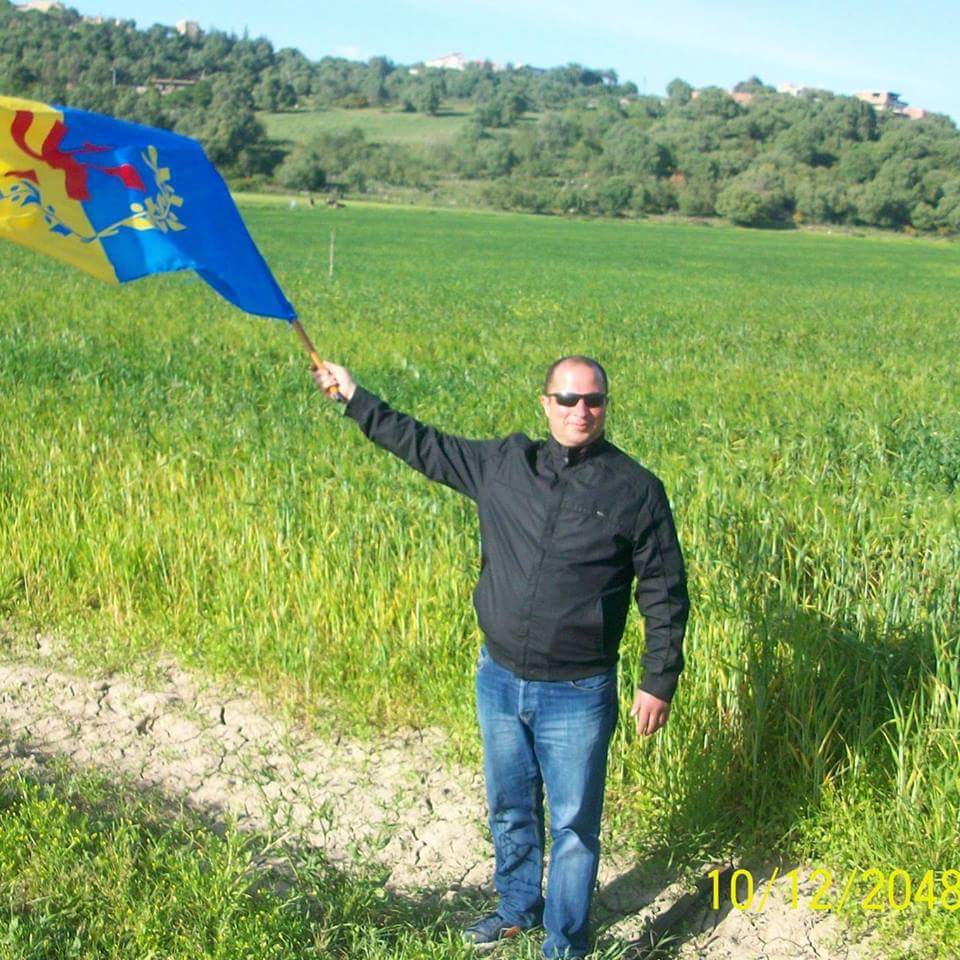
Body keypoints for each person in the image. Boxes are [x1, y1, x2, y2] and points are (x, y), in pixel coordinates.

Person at [312, 355, 689, 959]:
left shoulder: (635, 490)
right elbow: (422, 445)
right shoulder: (505, 465)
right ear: (545, 404)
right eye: (566, 399)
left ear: (606, 406)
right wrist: (355, 398)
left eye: (592, 400)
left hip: (578, 692)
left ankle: (565, 944)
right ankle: (517, 908)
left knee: (572, 827)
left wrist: (658, 679)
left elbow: (664, 592)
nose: (580, 411)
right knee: (511, 807)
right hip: (500, 679)